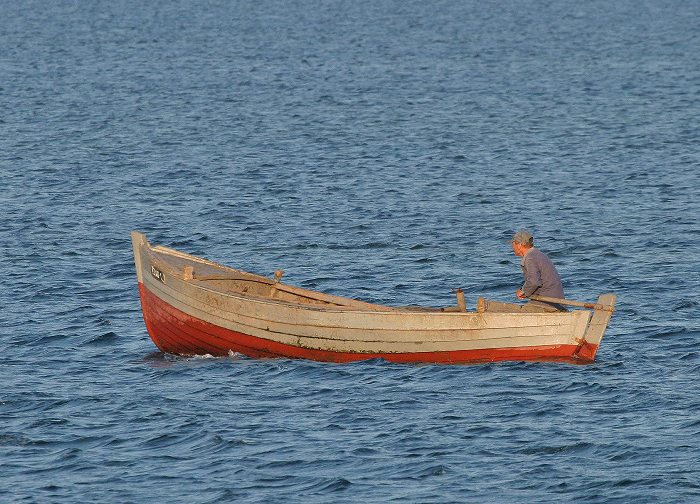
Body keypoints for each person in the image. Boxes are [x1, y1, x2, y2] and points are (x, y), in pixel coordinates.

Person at [510, 229, 566, 312]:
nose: (512, 247)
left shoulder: (530, 258)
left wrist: (523, 291)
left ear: (519, 245)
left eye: (513, 244)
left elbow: (534, 282)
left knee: (521, 312)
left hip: (549, 300)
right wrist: (525, 290)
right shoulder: (537, 254)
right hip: (553, 298)